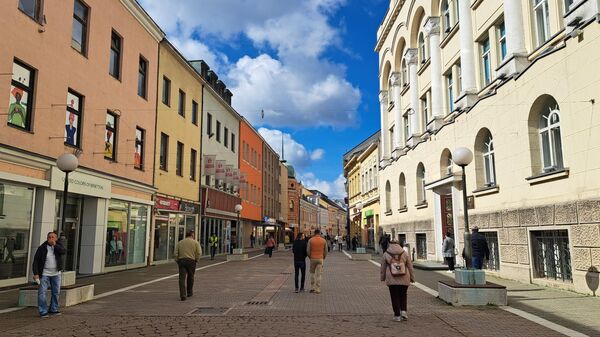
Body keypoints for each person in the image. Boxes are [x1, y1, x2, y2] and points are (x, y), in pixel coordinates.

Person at [32, 232, 66, 318]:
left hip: (56, 274)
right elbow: (35, 261)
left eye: (53, 237)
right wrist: (36, 273)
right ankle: (43, 311)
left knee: (56, 292)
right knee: (42, 293)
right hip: (44, 274)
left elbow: (63, 252)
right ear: (47, 238)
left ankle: (53, 309)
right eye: (49, 237)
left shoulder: (58, 246)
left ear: (56, 238)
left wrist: (55, 245)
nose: (51, 239)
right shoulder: (42, 248)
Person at [380, 239, 414, 322]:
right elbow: (410, 266)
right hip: (404, 277)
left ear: (390, 244)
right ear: (399, 244)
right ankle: (404, 312)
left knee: (394, 296)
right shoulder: (404, 253)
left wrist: (382, 277)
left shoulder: (386, 254)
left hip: (392, 278)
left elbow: (383, 267)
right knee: (403, 294)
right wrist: (412, 277)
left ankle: (397, 315)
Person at [174, 230, 202, 301]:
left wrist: (177, 260)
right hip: (191, 261)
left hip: (182, 261)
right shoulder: (195, 242)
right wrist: (196, 260)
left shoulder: (180, 242)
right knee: (191, 276)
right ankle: (189, 292)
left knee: (182, 278)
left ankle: (183, 295)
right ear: (192, 235)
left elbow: (175, 253)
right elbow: (199, 252)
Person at [307, 229, 327, 294]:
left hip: (312, 258)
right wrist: (323, 257)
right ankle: (318, 289)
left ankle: (312, 287)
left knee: (312, 273)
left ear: (314, 233)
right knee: (319, 274)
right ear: (319, 233)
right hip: (320, 258)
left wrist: (310, 257)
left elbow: (308, 250)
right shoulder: (323, 240)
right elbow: (326, 251)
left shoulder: (310, 240)